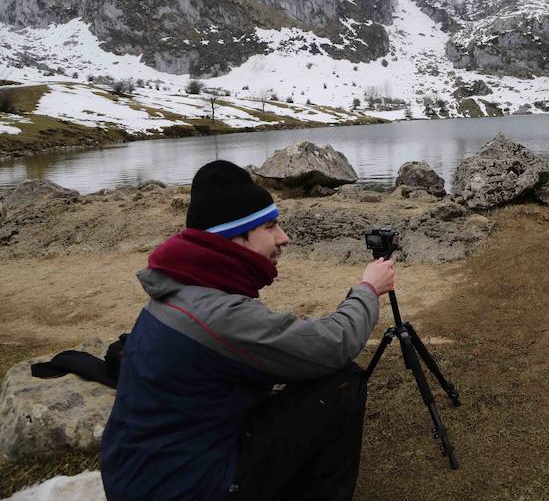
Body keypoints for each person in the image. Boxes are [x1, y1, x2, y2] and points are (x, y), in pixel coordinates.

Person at [100, 160, 394, 501]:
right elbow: (333, 344)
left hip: (139, 476)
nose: (284, 238)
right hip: (188, 488)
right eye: (270, 227)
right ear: (234, 238)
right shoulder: (218, 313)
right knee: (342, 383)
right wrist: (368, 289)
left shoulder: (179, 288)